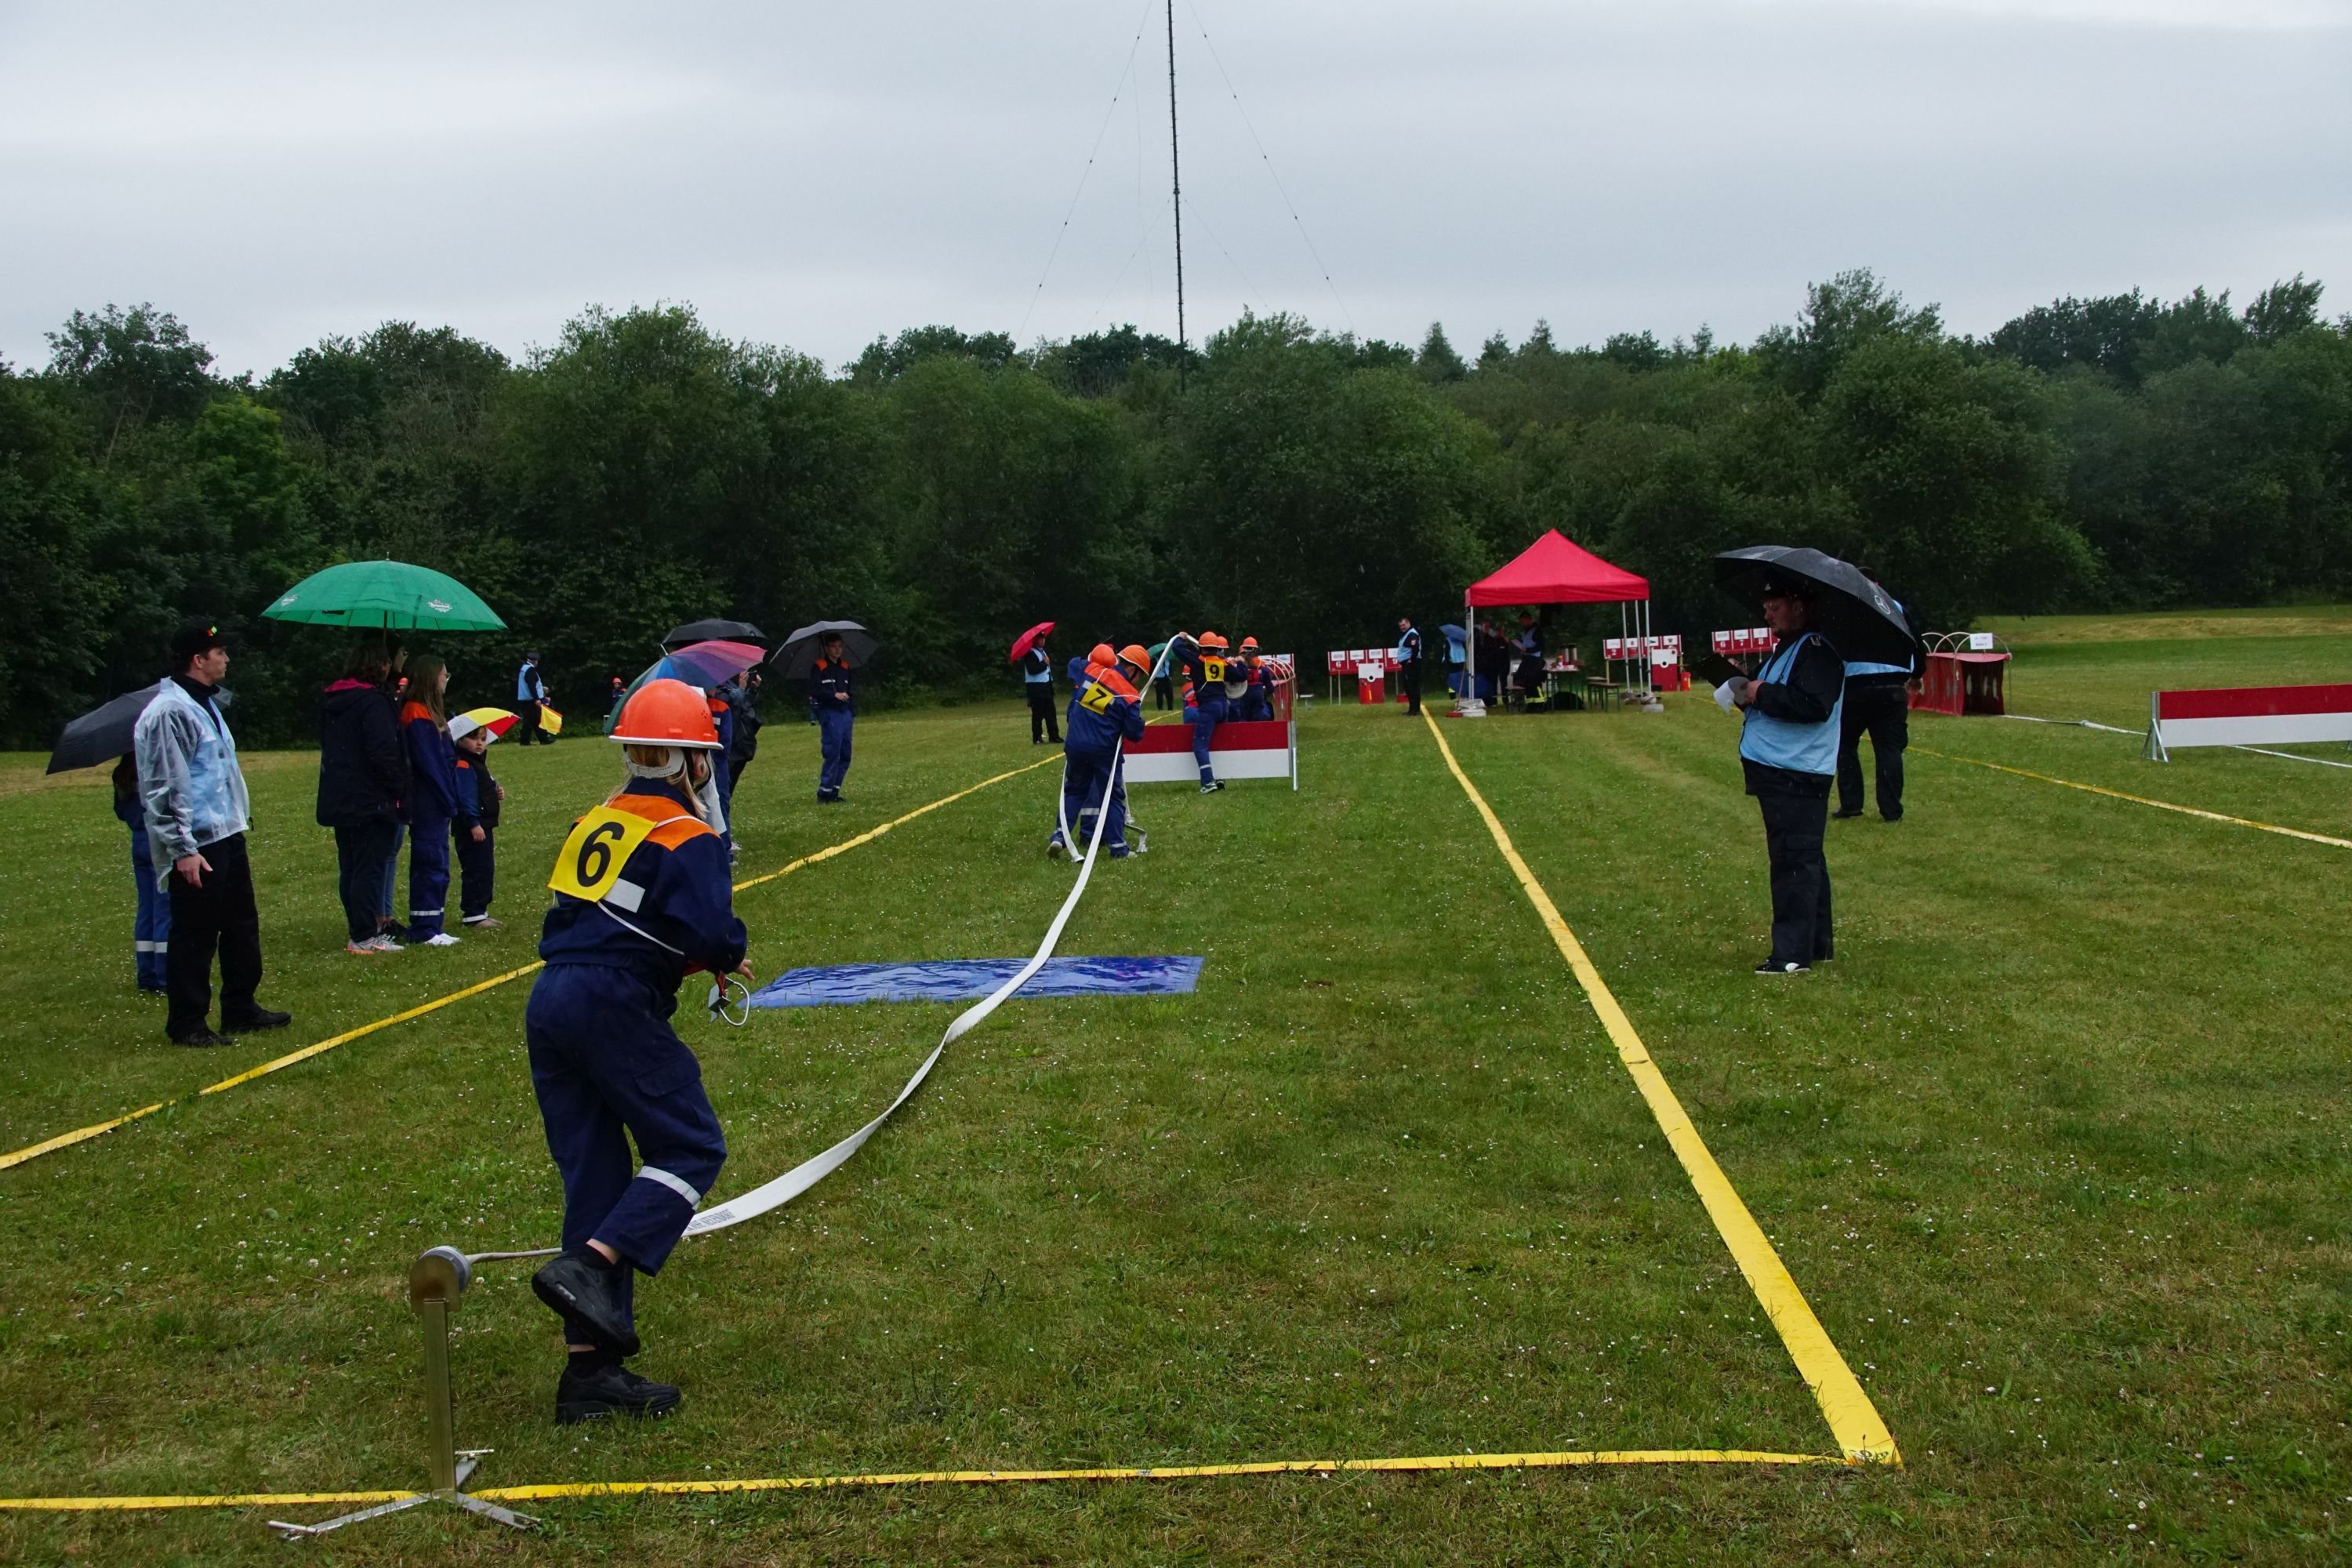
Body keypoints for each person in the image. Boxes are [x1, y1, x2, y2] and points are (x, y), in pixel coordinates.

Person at [524, 677, 752, 1424]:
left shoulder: (593, 819)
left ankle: (588, 1376)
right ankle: (590, 1266)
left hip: (555, 996)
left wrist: (686, 958)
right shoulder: (689, 837)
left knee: (596, 1177)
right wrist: (721, 953)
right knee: (690, 1147)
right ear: (692, 762)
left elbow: (618, 921)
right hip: (612, 1003)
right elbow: (712, 932)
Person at [133, 620, 290, 1047]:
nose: (226, 658)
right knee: (195, 933)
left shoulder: (206, 703)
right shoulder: (170, 711)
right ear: (197, 660)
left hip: (226, 831)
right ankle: (188, 1023)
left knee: (241, 924)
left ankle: (241, 1007)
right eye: (219, 652)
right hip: (196, 840)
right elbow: (163, 786)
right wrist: (181, 847)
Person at [1726, 582, 1846, 976]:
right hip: (1780, 767)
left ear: (1798, 605)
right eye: (1765, 606)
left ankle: (1791, 955)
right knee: (1804, 856)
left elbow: (1813, 705)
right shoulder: (1788, 648)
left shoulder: (1817, 650)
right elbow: (1768, 691)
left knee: (1794, 860)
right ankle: (1817, 943)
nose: (1767, 615)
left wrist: (1762, 693)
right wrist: (1744, 689)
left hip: (1796, 769)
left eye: (1774, 606)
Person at [318, 644, 410, 955]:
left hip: (343, 796)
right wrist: (400, 787)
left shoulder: (337, 700)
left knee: (352, 866)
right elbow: (383, 752)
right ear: (379, 666)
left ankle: (360, 930)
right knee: (368, 868)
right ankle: (363, 934)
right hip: (371, 800)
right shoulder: (372, 702)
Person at [1049, 644, 1148, 860]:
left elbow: (1073, 663)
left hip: (1075, 745)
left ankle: (1059, 835)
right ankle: (1118, 848)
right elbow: (1134, 733)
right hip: (1104, 752)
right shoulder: (1129, 695)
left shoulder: (1092, 671)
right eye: (1140, 675)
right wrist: (1140, 722)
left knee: (1074, 791)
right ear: (1133, 670)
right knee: (1111, 797)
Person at [1835, 584, 1920, 823]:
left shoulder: (1843, 607)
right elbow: (1916, 640)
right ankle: (1891, 810)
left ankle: (1851, 804)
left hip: (1855, 686)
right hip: (1892, 687)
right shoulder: (1895, 607)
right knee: (1889, 750)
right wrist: (1918, 672)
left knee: (1845, 746)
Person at [400, 654, 463, 946]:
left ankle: (434, 924)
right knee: (428, 860)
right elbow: (429, 763)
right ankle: (424, 927)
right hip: (428, 799)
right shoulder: (415, 712)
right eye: (444, 675)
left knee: (439, 862)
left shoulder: (431, 713)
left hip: (438, 798)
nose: (446, 680)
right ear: (430, 677)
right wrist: (448, 797)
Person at [111, 755, 169, 993]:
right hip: (160, 842)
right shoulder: (155, 767)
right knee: (166, 908)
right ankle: (166, 976)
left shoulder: (124, 773)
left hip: (139, 842)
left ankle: (147, 975)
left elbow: (121, 811)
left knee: (147, 908)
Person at [450, 712, 506, 930]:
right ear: (461, 740)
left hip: (484, 825)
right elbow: (465, 797)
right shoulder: (464, 764)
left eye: (483, 738)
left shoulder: (477, 762)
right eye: (474, 738)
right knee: (476, 868)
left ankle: (481, 910)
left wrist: (496, 791)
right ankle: (473, 913)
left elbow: (482, 788)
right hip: (473, 827)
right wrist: (474, 823)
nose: (480, 743)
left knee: (485, 867)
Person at [1174, 630, 1229, 793]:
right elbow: (1240, 676)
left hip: (1208, 708)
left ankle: (1207, 782)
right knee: (1219, 743)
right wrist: (1238, 662)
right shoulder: (1222, 663)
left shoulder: (1198, 662)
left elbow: (1177, 649)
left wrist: (1180, 637)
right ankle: (1220, 777)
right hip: (1224, 706)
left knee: (1200, 745)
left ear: (1201, 647)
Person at [808, 633, 855, 804]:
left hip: (845, 713)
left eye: (840, 646)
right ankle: (824, 793)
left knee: (845, 753)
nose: (837, 650)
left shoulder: (845, 667)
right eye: (834, 646)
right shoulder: (819, 667)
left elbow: (851, 690)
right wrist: (833, 694)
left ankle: (835, 789)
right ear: (827, 648)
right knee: (832, 752)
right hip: (829, 712)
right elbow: (815, 690)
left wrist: (851, 710)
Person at [1022, 638, 1062, 745]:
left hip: (1046, 685)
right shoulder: (1030, 653)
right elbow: (1032, 670)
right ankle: (1037, 737)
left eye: (1044, 638)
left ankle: (1054, 736)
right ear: (1035, 640)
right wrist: (1044, 664)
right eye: (1041, 639)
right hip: (1036, 687)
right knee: (1038, 713)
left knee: (1050, 712)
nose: (1043, 640)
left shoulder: (1042, 651)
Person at [515, 653, 550, 746]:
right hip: (530, 699)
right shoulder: (530, 670)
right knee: (530, 721)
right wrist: (536, 699)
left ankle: (544, 739)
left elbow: (527, 684)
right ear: (535, 661)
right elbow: (531, 685)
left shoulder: (523, 668)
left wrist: (541, 688)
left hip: (524, 698)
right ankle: (525, 741)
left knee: (535, 720)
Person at [1396, 617, 1424, 715]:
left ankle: (1414, 710)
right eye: (1400, 626)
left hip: (1412, 664)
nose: (1402, 627)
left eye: (1404, 625)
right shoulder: (1406, 634)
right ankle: (1413, 709)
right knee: (1410, 687)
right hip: (1408, 664)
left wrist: (1411, 659)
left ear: (1408, 623)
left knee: (1411, 686)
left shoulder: (1411, 634)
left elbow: (1415, 647)